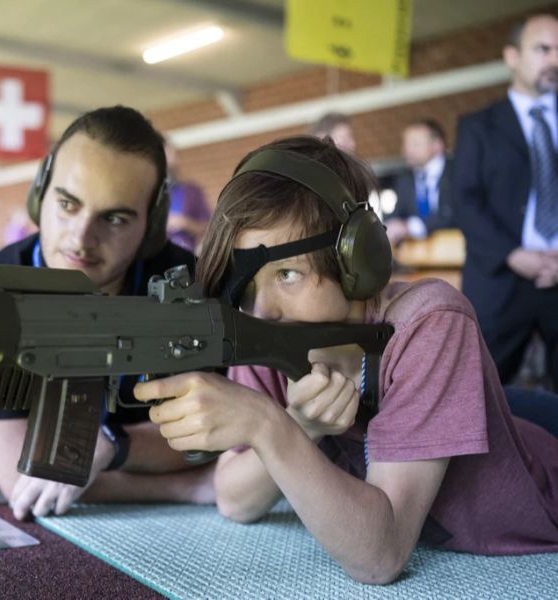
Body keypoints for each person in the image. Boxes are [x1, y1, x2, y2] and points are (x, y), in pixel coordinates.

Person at [134, 135, 558, 584]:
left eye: (288, 274)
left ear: (359, 256)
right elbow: (235, 499)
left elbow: (381, 555)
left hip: (523, 536)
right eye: (247, 286)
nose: (264, 310)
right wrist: (300, 424)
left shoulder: (430, 322)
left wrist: (270, 426)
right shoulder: (265, 329)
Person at [0, 106, 213, 520]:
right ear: (40, 194)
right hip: (3, 478)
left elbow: (205, 436)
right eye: (67, 204)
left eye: (113, 218)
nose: (80, 238)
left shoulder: (189, 286)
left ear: (152, 224)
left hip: (127, 464)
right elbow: (21, 481)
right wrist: (185, 486)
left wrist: (110, 442)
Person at [454, 13, 558, 389]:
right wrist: (514, 254)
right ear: (512, 57)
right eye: (543, 49)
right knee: (481, 393)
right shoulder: (477, 126)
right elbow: (464, 200)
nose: (555, 60)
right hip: (501, 280)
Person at [385, 119, 457, 246]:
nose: (407, 150)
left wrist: (411, 227)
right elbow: (397, 214)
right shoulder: (404, 180)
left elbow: (457, 211)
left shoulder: (458, 171)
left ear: (437, 145)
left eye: (415, 144)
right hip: (418, 257)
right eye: (405, 144)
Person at [164, 143, 212, 253]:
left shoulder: (192, 191)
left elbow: (208, 226)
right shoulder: (150, 194)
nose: (170, 162)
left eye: (173, 157)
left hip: (189, 254)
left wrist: (185, 223)